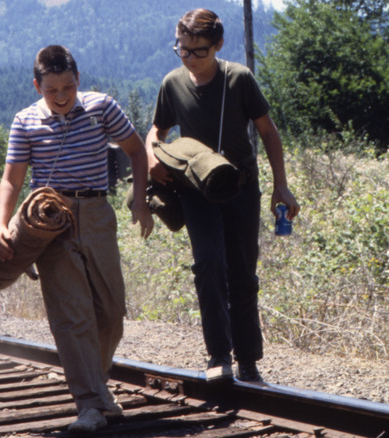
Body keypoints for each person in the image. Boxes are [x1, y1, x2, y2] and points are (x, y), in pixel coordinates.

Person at [0, 45, 153, 433]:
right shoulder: (25, 121)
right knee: (72, 315)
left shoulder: (102, 108)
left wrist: (141, 202)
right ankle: (90, 404)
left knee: (111, 312)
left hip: (97, 213)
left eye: (68, 86)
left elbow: (136, 151)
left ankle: (95, 387)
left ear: (78, 80)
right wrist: (1, 225)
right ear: (37, 86)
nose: (61, 96)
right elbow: (11, 178)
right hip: (50, 220)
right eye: (51, 90)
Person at [145, 9, 300, 383]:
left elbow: (268, 131)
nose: (191, 59)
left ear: (218, 45)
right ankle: (219, 357)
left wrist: (281, 185)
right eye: (183, 51)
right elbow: (156, 130)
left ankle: (248, 361)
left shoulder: (239, 79)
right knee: (208, 266)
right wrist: (152, 157)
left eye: (199, 51)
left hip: (243, 189)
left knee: (242, 274)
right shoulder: (172, 83)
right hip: (197, 193)